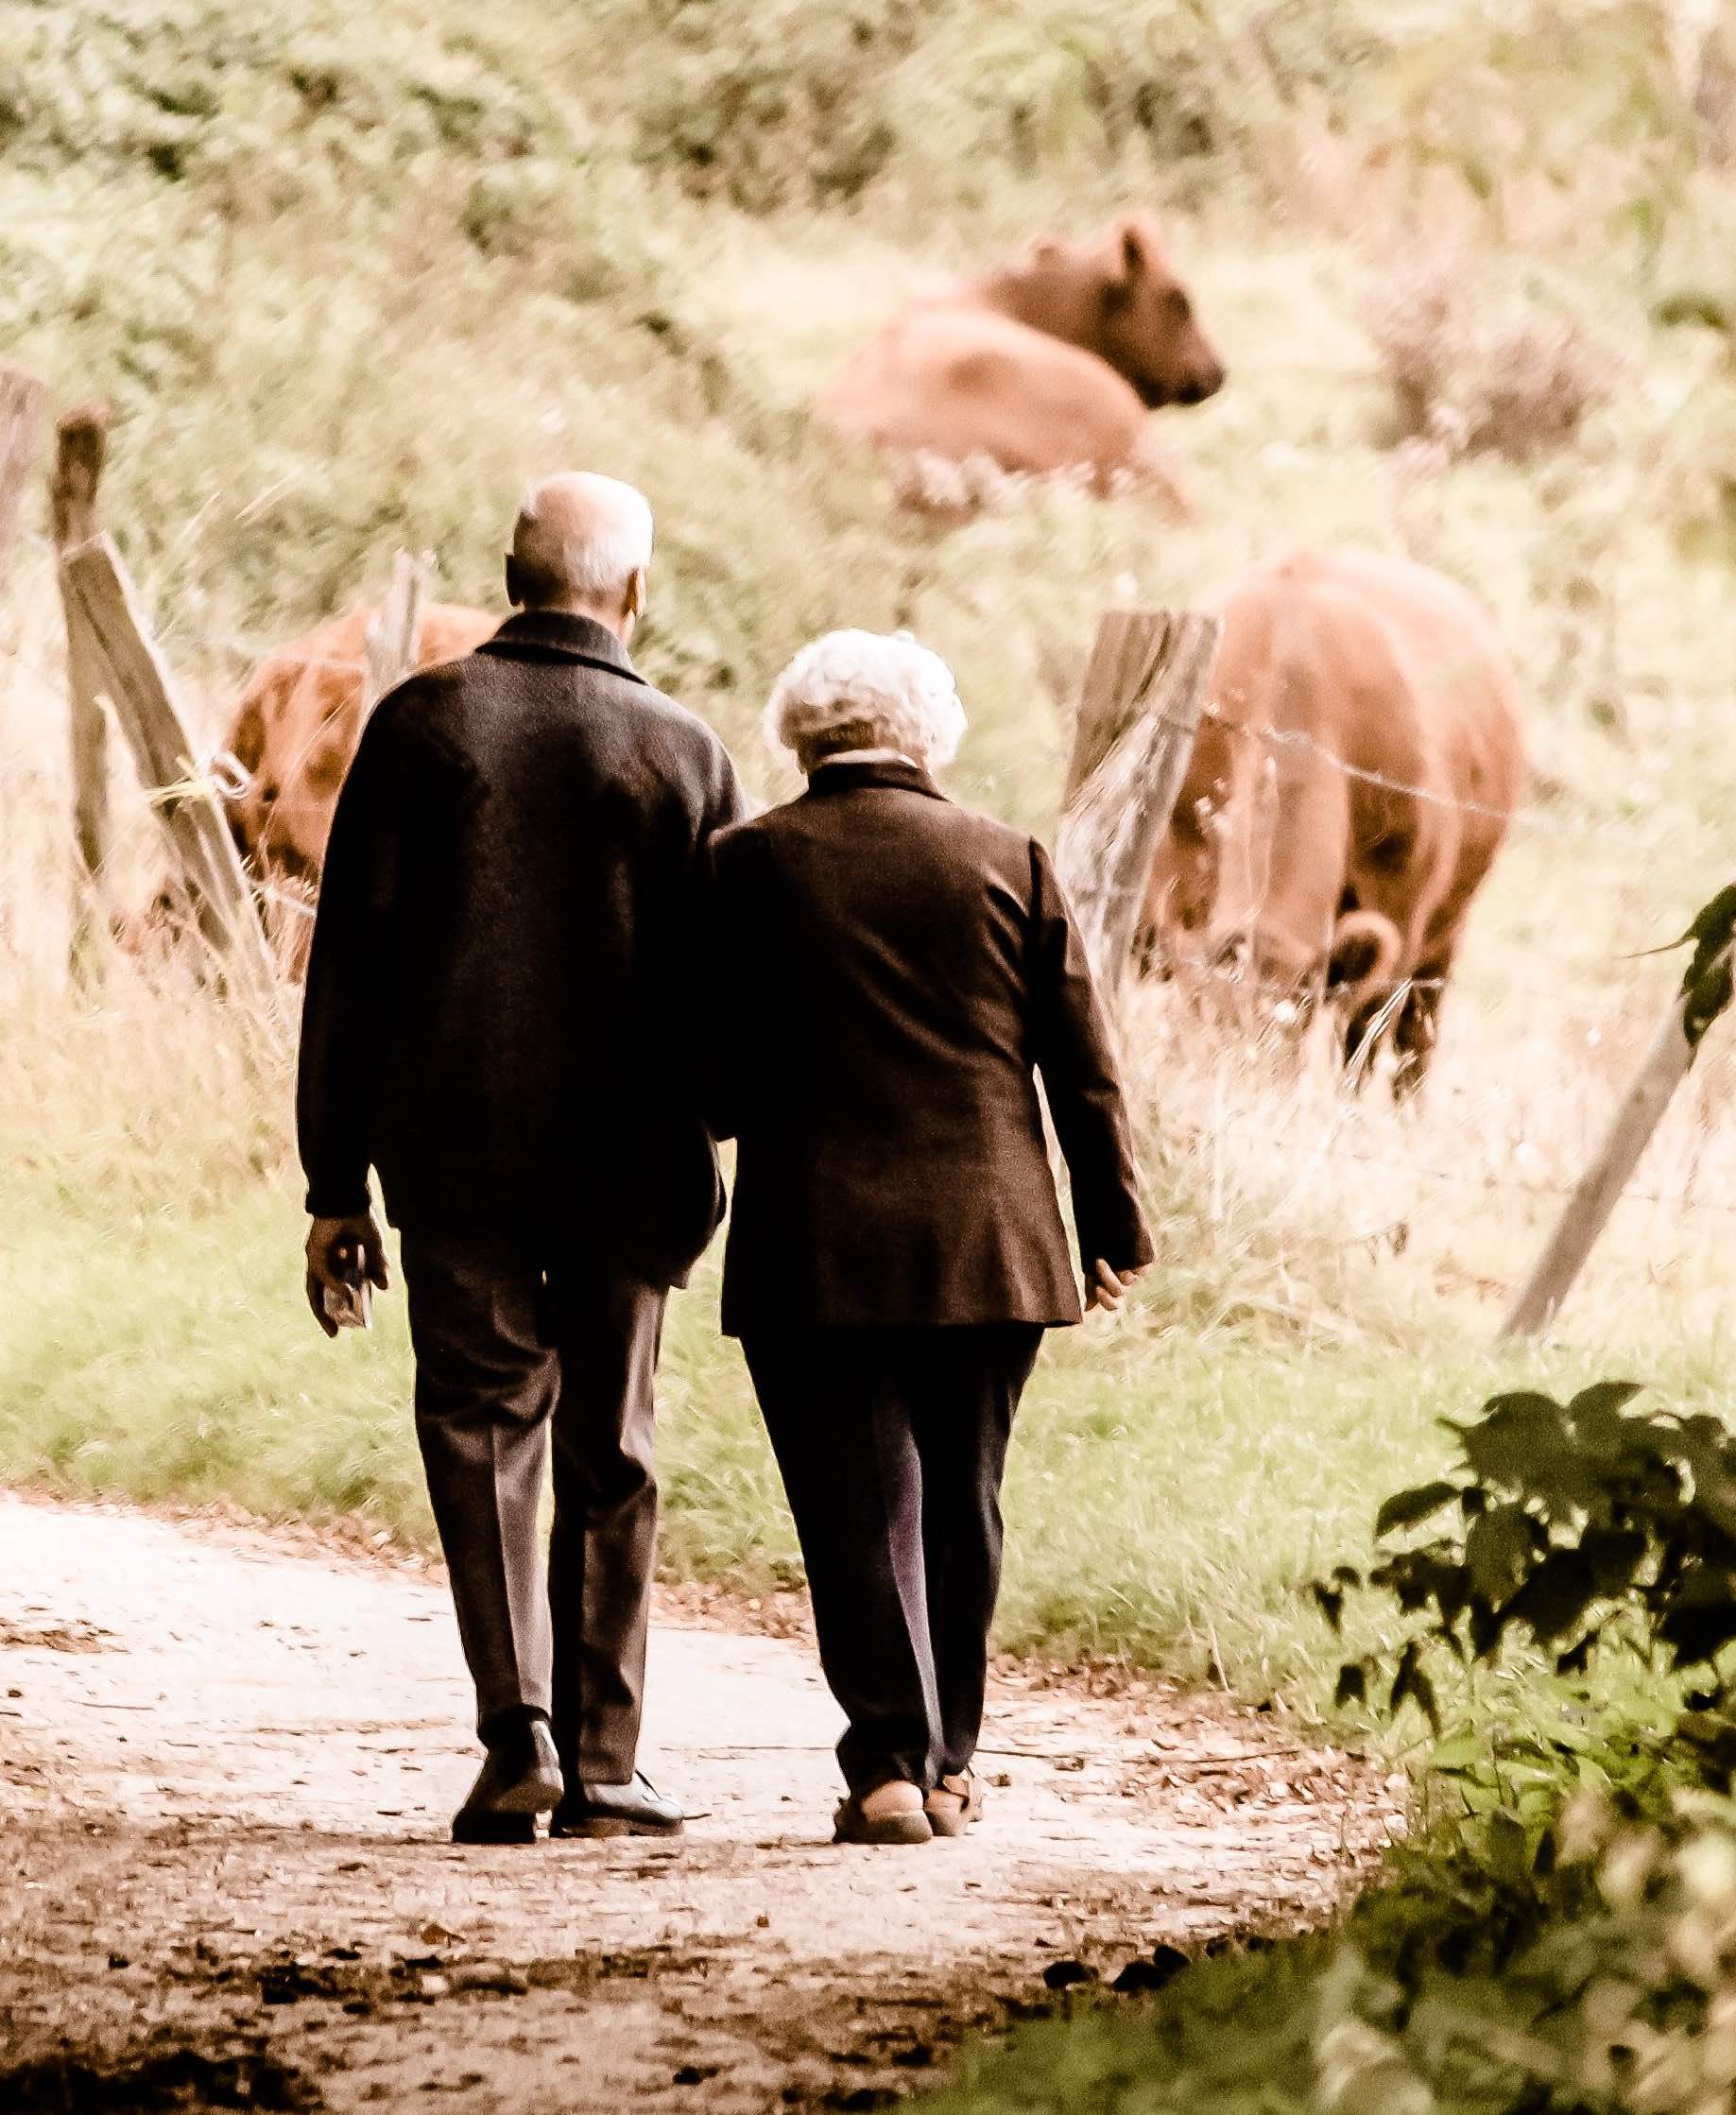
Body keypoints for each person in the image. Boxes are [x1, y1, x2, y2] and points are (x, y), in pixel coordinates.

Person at [296, 473, 741, 1844]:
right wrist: (712, 1130)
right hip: (631, 1157)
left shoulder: (422, 726)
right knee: (612, 1441)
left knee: (483, 1431)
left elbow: (347, 971)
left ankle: (519, 1738)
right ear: (636, 593)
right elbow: (728, 988)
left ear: (508, 572)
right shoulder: (682, 749)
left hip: (454, 1148)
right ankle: (609, 1762)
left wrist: (334, 1185)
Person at [697, 630, 1152, 1846]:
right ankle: (950, 1763)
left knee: (854, 1506)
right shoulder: (1010, 860)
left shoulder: (743, 867)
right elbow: (1085, 1071)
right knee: (964, 1496)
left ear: (800, 734)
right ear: (930, 734)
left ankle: (887, 1768)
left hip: (815, 1242)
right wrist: (1111, 1224)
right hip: (994, 1239)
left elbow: (717, 1083)